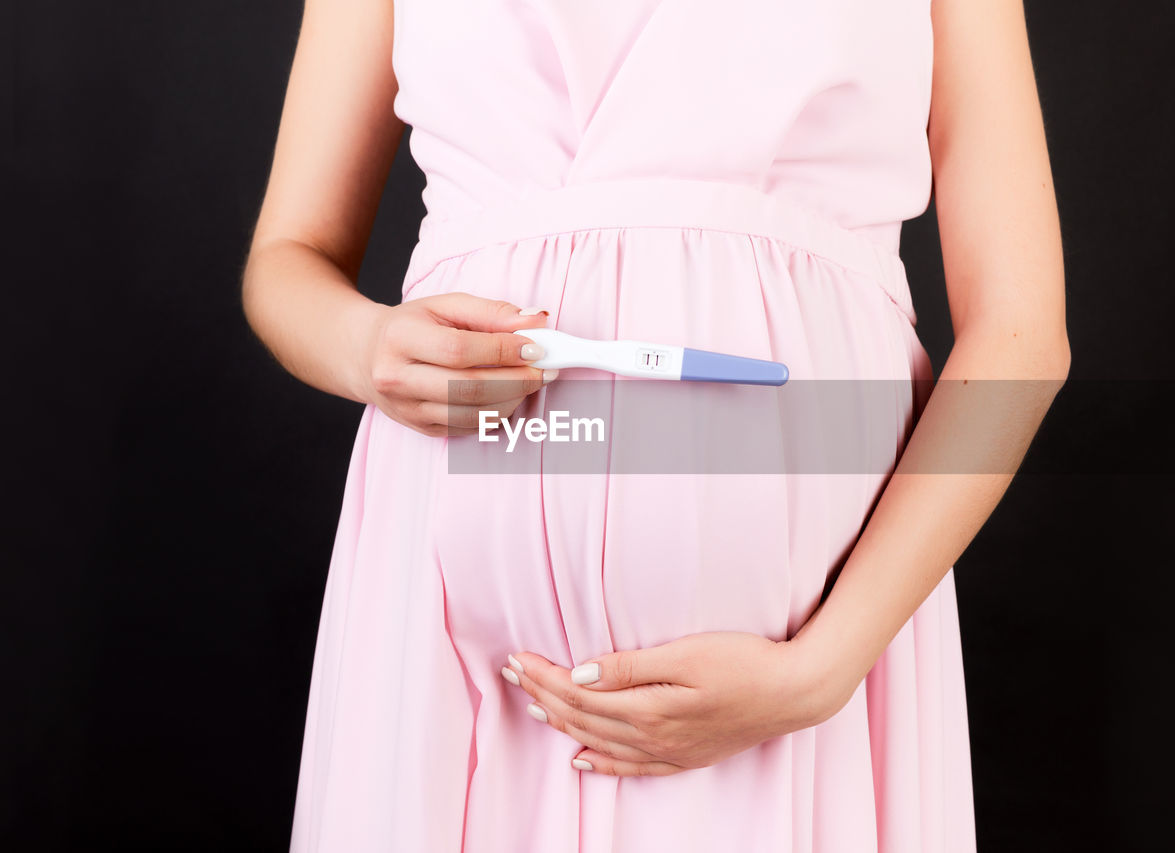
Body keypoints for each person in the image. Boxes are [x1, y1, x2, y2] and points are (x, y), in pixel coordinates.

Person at [241, 0, 1069, 850]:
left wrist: (819, 671)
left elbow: (1023, 332)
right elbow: (286, 261)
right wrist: (366, 345)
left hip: (810, 665)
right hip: (455, 652)